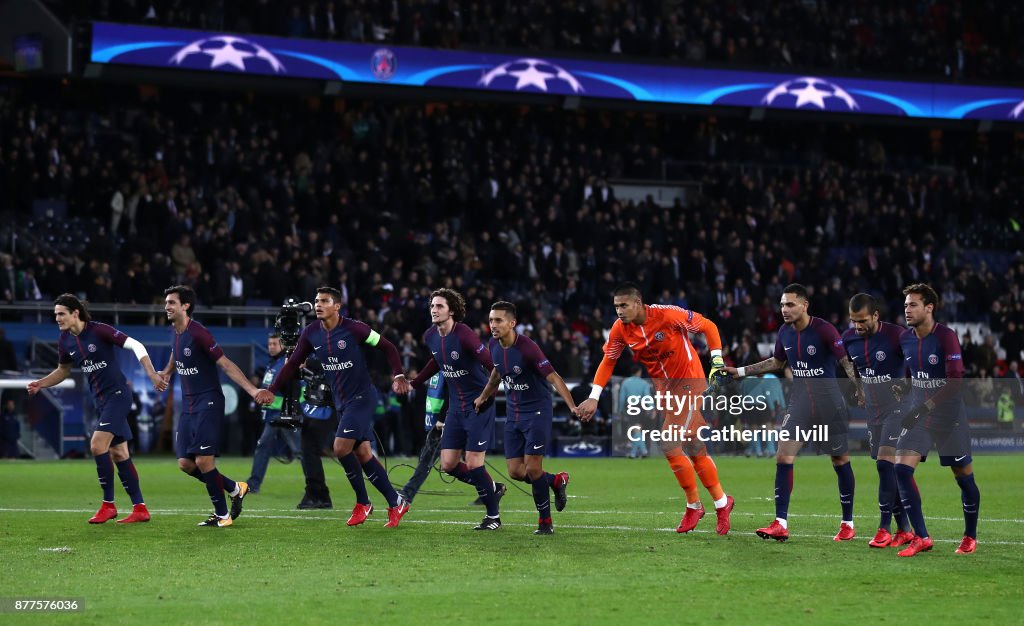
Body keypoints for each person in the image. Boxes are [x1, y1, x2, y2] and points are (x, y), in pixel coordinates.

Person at [577, 282, 735, 535]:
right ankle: (722, 502)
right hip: (665, 392)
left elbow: (708, 325)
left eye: (624, 305)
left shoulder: (668, 315)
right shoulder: (620, 329)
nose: (619, 310)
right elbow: (609, 360)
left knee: (668, 442)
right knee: (694, 448)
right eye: (616, 306)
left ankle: (694, 505)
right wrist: (594, 396)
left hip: (689, 384)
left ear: (638, 303)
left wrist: (716, 360)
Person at [255, 286, 411, 528]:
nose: (318, 304)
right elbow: (293, 364)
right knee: (363, 454)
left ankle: (363, 503)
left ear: (337, 306)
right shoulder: (311, 333)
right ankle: (395, 501)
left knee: (340, 448)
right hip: (341, 403)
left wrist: (399, 374)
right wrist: (271, 390)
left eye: (325, 301)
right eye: (317, 301)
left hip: (361, 398)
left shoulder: (354, 328)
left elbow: (387, 346)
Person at [724, 283, 864, 542]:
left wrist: (860, 389)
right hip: (800, 403)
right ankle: (780, 522)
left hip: (829, 404)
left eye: (789, 304)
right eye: (782, 305)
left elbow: (845, 361)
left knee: (840, 460)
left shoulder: (824, 330)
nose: (784, 309)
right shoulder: (784, 333)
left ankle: (847, 522)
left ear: (804, 305)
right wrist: (740, 371)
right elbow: (776, 363)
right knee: (783, 456)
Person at [27, 294, 164, 524]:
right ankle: (140, 508)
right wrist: (41, 383)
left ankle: (108, 505)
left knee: (97, 444)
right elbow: (63, 371)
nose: (57, 318)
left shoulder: (99, 330)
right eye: (56, 314)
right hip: (100, 401)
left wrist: (151, 373)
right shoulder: (65, 341)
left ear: (75, 313)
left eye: (61, 313)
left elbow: (136, 344)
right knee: (119, 453)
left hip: (118, 396)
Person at [161, 285, 261, 528]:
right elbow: (177, 355)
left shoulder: (199, 333)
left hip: (209, 401)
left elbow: (225, 364)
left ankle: (222, 514)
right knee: (185, 464)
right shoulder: (176, 332)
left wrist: (253, 390)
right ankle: (235, 488)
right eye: (166, 302)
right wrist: (166, 372)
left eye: (172, 303)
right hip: (189, 405)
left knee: (204, 461)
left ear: (185, 306)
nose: (167, 307)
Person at [474, 301, 577, 535]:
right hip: (514, 414)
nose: (493, 325)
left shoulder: (528, 348)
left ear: (512, 323)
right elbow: (496, 375)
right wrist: (482, 397)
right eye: (491, 320)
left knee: (532, 469)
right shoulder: (494, 345)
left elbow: (554, 377)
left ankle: (545, 523)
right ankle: (555, 481)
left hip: (537, 413)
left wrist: (571, 406)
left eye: (498, 320)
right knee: (515, 472)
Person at [892, 283, 980, 557]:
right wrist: (904, 388)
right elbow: (914, 374)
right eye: (906, 305)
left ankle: (970, 537)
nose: (907, 309)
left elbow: (955, 381)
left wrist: (925, 405)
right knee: (902, 470)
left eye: (913, 304)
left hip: (948, 416)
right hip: (920, 414)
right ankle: (922, 537)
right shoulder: (905, 339)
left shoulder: (946, 337)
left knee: (963, 478)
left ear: (929, 307)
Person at [407, 288, 505, 531]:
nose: (434, 309)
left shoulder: (465, 335)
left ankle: (493, 517)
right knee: (449, 465)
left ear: (451, 310)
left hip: (479, 405)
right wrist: (415, 383)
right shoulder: (430, 336)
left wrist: (487, 395)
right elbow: (436, 361)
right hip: (456, 408)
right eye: (432, 305)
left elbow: (493, 365)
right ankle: (492, 488)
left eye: (439, 306)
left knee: (474, 464)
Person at [842, 293, 915, 549]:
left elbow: (917, 366)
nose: (858, 326)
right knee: (885, 468)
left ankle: (884, 528)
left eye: (862, 321)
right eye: (853, 321)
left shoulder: (897, 336)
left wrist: (906, 385)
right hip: (873, 411)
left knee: (885, 464)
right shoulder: (848, 338)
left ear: (875, 315)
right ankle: (905, 529)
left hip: (899, 408)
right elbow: (852, 366)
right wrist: (858, 388)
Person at [246, 333, 302, 495]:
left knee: (300, 450)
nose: (271, 347)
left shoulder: (285, 363)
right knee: (264, 447)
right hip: (273, 415)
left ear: (283, 345)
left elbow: (290, 389)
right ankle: (254, 483)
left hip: (283, 414)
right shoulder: (273, 364)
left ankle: (315, 484)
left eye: (275, 344)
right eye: (269, 344)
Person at [398, 371, 447, 505]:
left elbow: (452, 392)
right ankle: (491, 489)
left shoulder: (446, 362)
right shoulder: (436, 363)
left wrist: (441, 418)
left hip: (444, 422)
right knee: (429, 459)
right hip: (435, 422)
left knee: (452, 464)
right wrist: (409, 385)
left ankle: (407, 492)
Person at [296, 357, 337, 509]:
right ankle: (319, 494)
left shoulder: (334, 341)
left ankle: (317, 494)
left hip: (332, 402)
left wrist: (308, 362)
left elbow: (331, 362)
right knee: (309, 448)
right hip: (320, 403)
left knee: (359, 452)